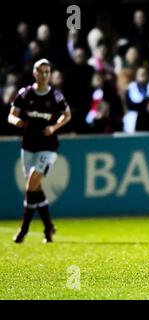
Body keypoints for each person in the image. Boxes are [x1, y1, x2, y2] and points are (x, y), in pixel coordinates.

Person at [7, 58, 72, 243]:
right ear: (34, 73)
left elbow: (67, 115)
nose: (44, 75)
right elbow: (11, 115)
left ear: (49, 74)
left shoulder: (56, 96)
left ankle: (24, 229)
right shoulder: (25, 93)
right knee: (35, 188)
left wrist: (54, 128)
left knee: (32, 182)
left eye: (47, 72)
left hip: (48, 146)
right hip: (28, 145)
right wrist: (17, 121)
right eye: (40, 71)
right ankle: (48, 227)